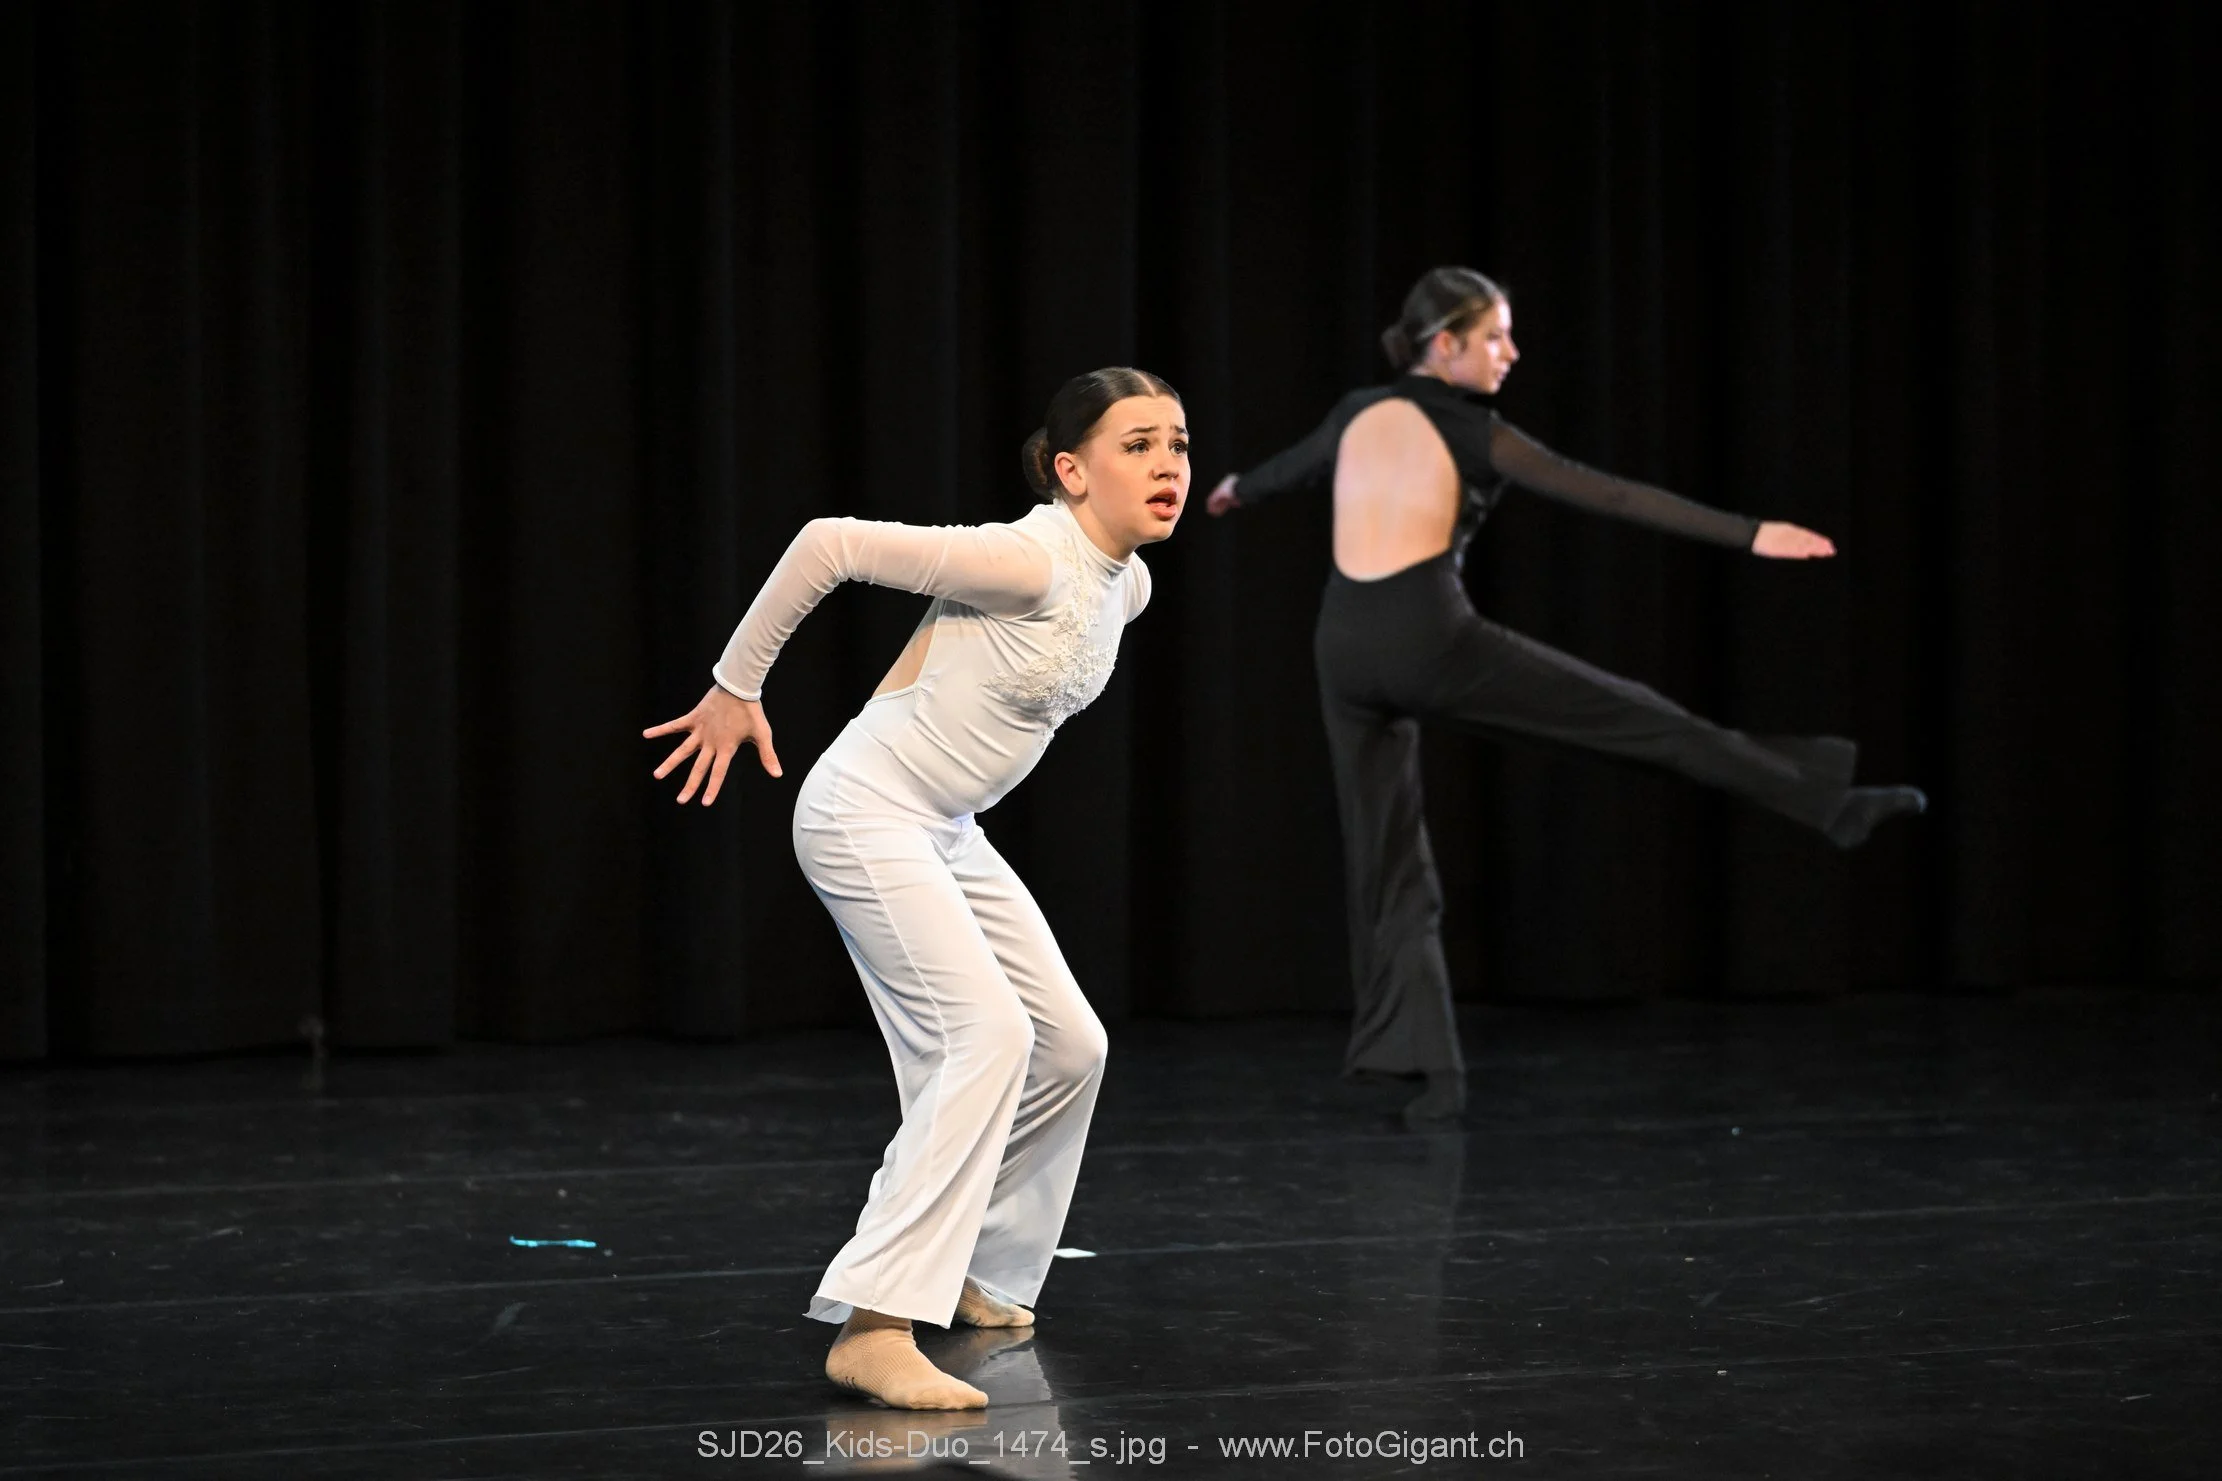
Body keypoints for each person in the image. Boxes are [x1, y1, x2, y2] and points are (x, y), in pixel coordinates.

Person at [1207, 266, 1924, 1128]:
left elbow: (1285, 470)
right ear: (1446, 345)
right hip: (1433, 644)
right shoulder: (1478, 432)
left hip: (1344, 652)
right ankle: (1829, 803)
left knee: (1388, 863)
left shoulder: (1357, 411)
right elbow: (1610, 493)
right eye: (1496, 337)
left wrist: (1235, 489)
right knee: (1641, 720)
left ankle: (1426, 1073)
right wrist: (1749, 533)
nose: (1512, 352)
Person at [644, 368, 1189, 1409]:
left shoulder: (1128, 585)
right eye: (1138, 444)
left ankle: (979, 1265)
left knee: (1070, 1044)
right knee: (986, 1036)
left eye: (1177, 443)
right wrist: (735, 684)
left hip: (945, 828)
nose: (1167, 463)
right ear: (1072, 470)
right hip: (865, 810)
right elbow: (828, 543)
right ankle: (875, 1323)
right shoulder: (1027, 557)